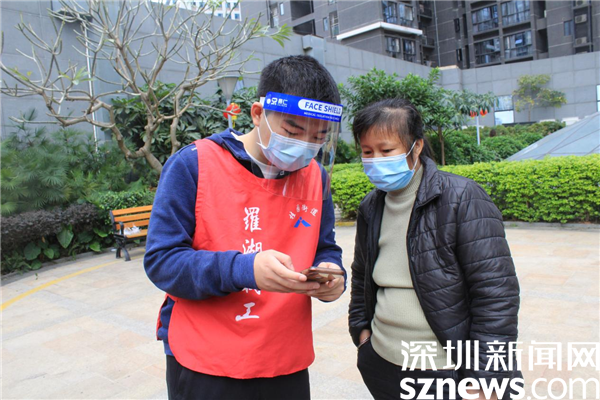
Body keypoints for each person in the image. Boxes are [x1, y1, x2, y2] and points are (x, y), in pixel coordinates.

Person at [144, 55, 346, 400]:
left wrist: (332, 272)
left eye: (319, 137)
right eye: (293, 132)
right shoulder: (194, 164)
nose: (305, 146)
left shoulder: (316, 176)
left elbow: (324, 245)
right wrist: (244, 269)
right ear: (257, 114)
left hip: (284, 355)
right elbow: (162, 261)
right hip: (207, 358)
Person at [348, 98, 522, 400]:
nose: (376, 160)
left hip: (444, 371)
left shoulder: (462, 197)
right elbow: (362, 274)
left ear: (416, 147)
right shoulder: (371, 206)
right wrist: (362, 334)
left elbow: (495, 293)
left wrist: (485, 377)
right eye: (367, 152)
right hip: (382, 363)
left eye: (386, 151)